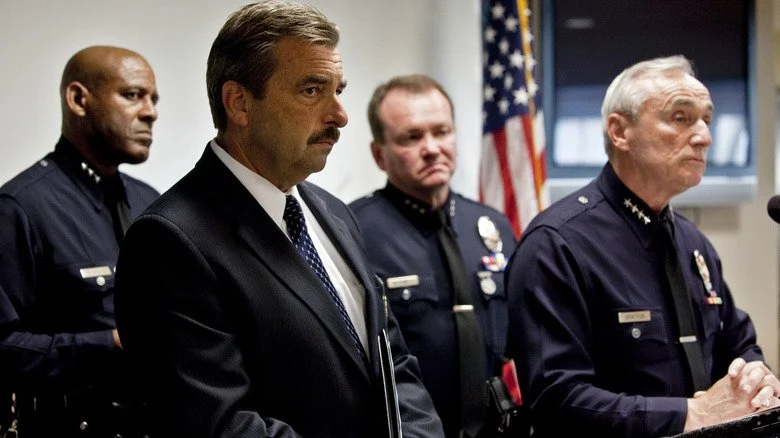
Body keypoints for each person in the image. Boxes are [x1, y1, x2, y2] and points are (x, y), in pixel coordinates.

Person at [112, 2, 444, 437]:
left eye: (337, 90)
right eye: (311, 90)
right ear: (239, 103)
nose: (339, 115)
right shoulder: (170, 239)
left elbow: (392, 362)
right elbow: (220, 424)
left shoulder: (333, 213)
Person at [504, 54, 780, 437]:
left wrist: (755, 378)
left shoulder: (692, 242)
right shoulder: (556, 244)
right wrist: (692, 414)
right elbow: (556, 397)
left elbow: (738, 343)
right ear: (619, 131)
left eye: (707, 120)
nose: (704, 136)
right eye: (681, 117)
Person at [0, 46, 159, 437]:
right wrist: (109, 344)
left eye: (154, 99)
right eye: (133, 95)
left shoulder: (151, 202)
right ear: (78, 99)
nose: (151, 112)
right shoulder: (20, 208)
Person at [349, 74, 517, 438]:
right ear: (380, 154)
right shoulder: (353, 232)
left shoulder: (491, 225)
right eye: (412, 137)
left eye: (441, 132)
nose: (431, 148)